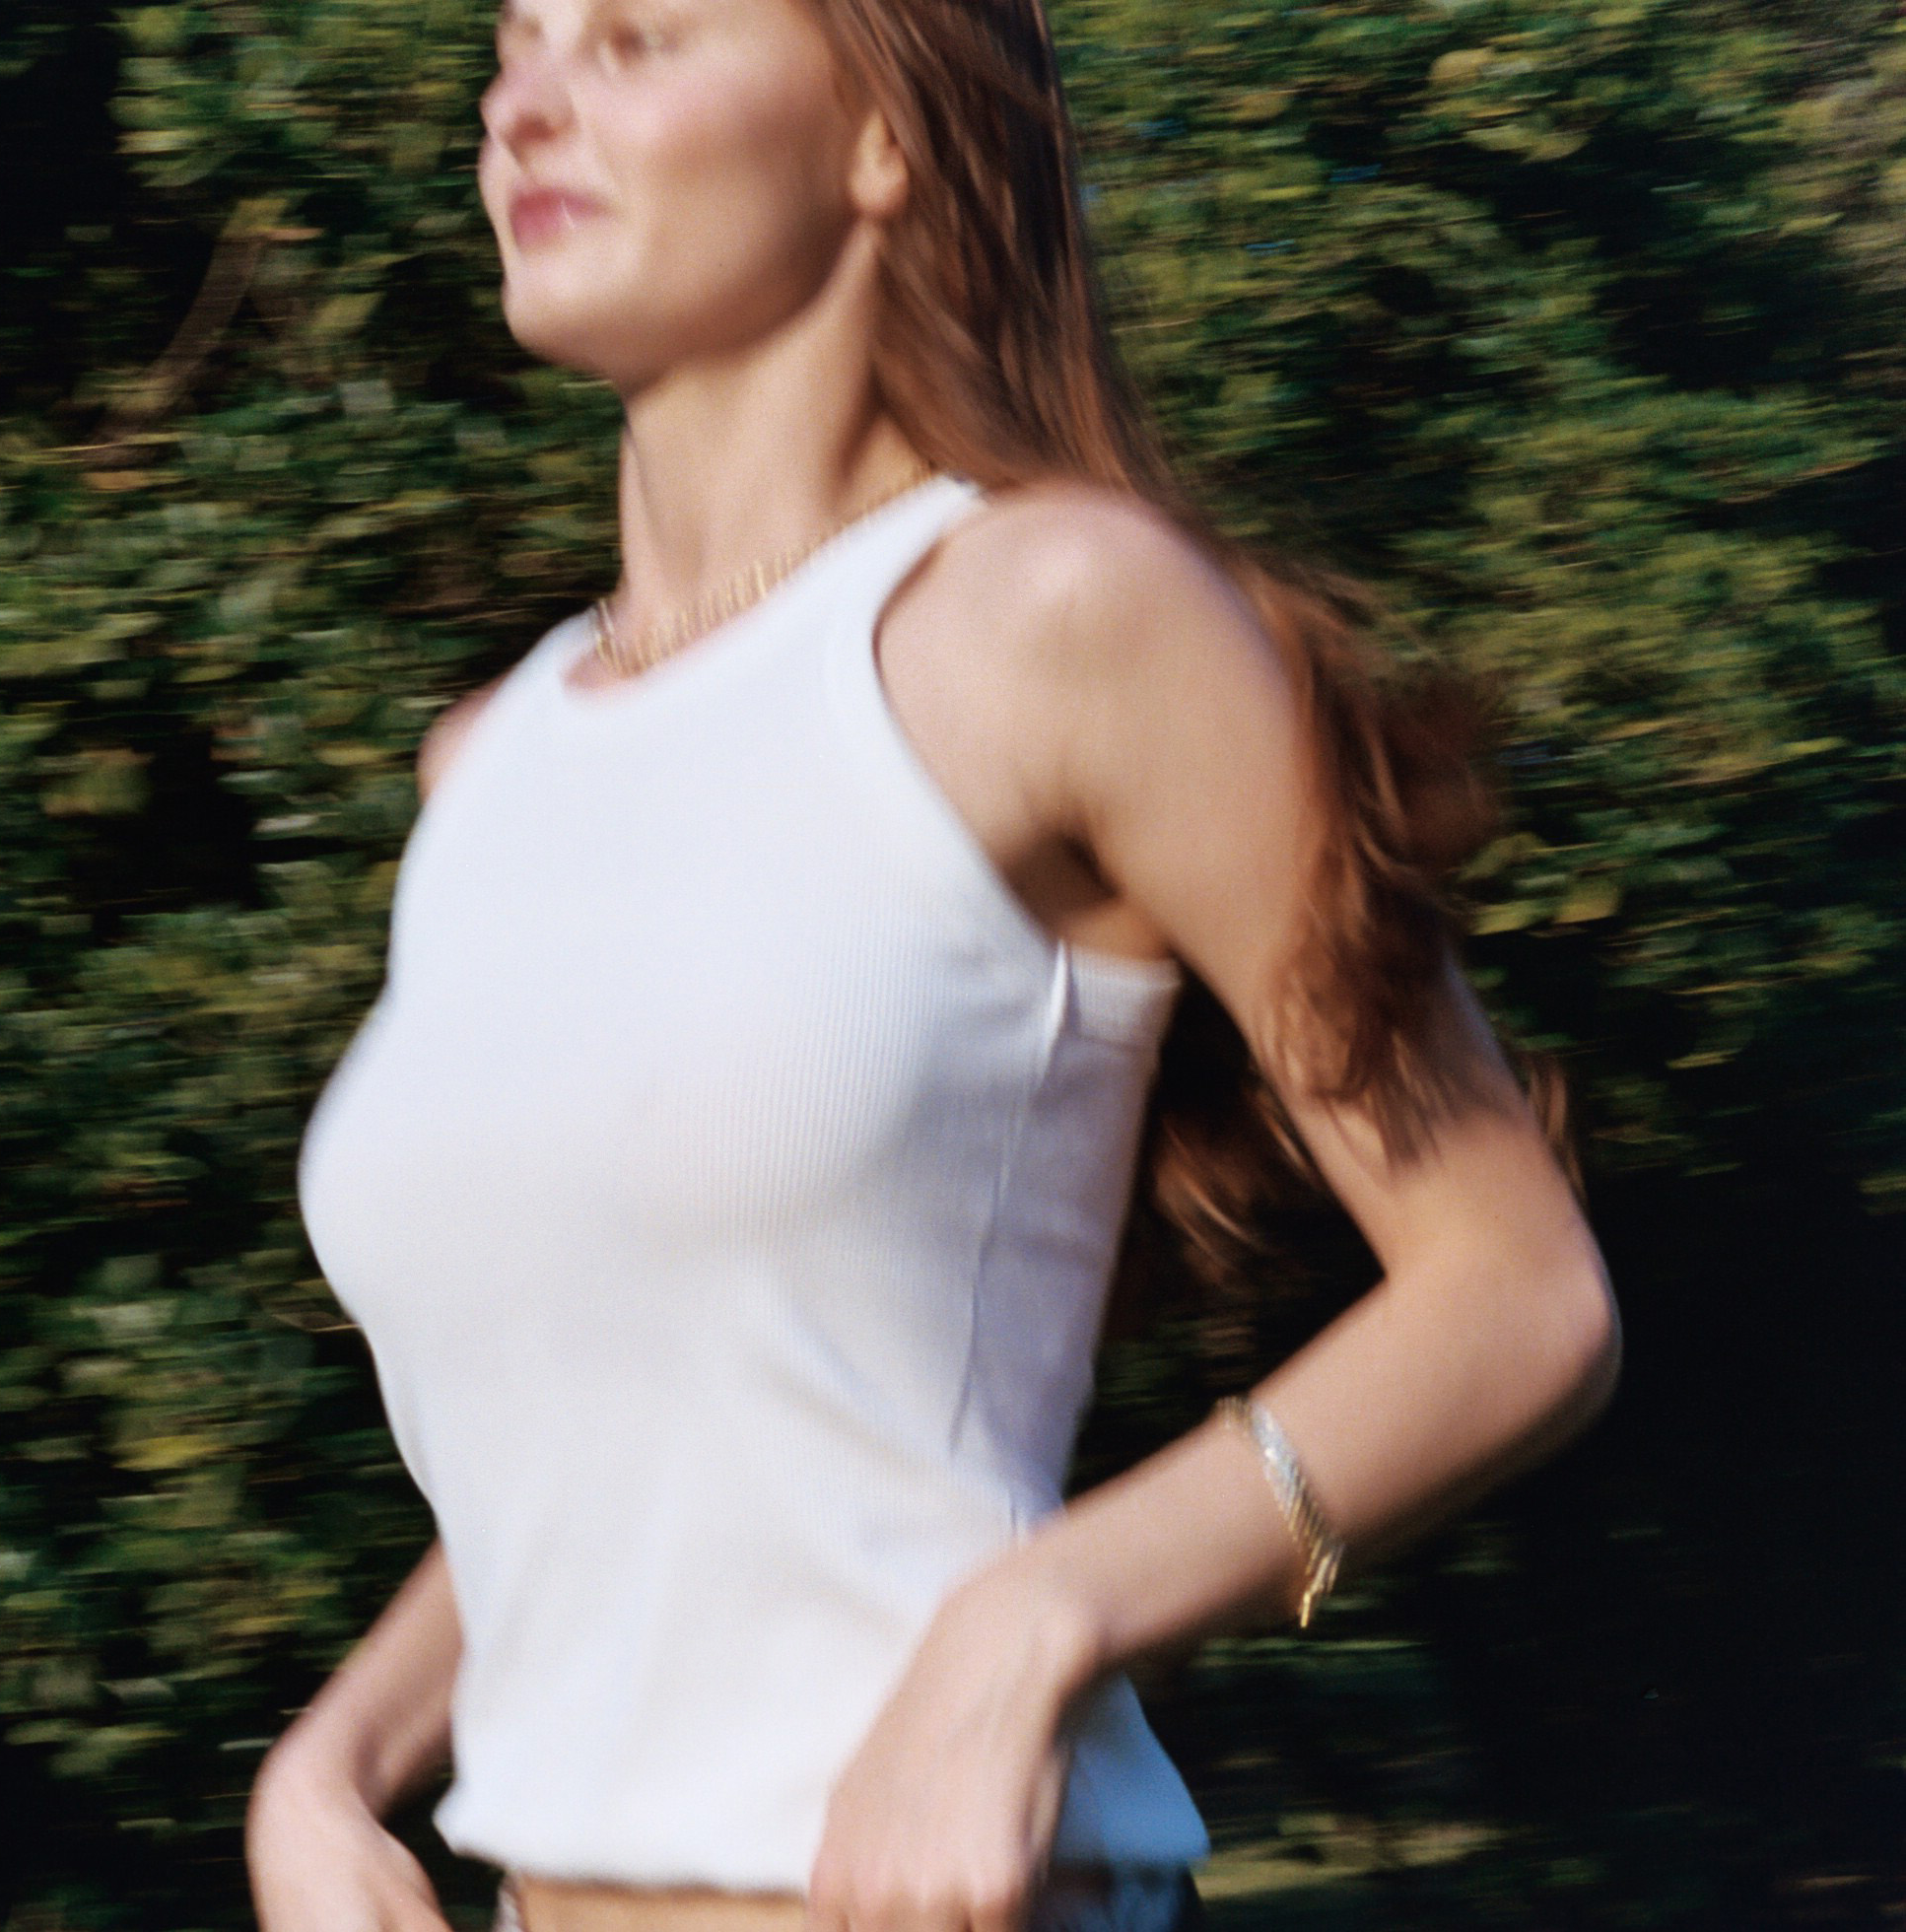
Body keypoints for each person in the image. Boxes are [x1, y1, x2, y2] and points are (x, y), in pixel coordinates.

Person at [255, 2, 1622, 1931]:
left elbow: (1517, 1294)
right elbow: (642, 1432)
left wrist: (1034, 1620)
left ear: (882, 139)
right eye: (514, 41)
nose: (523, 105)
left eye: (633, 39)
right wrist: (330, 1767)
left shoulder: (1065, 615)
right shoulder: (486, 762)